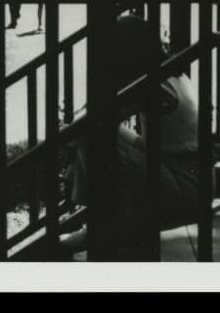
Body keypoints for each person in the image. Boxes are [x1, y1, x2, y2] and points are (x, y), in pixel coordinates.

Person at [60, 14, 199, 255]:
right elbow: (104, 119)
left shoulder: (153, 87)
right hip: (192, 179)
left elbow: (91, 121)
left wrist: (71, 141)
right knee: (94, 133)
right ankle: (97, 218)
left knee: (91, 138)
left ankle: (96, 225)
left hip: (183, 187)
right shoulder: (169, 73)